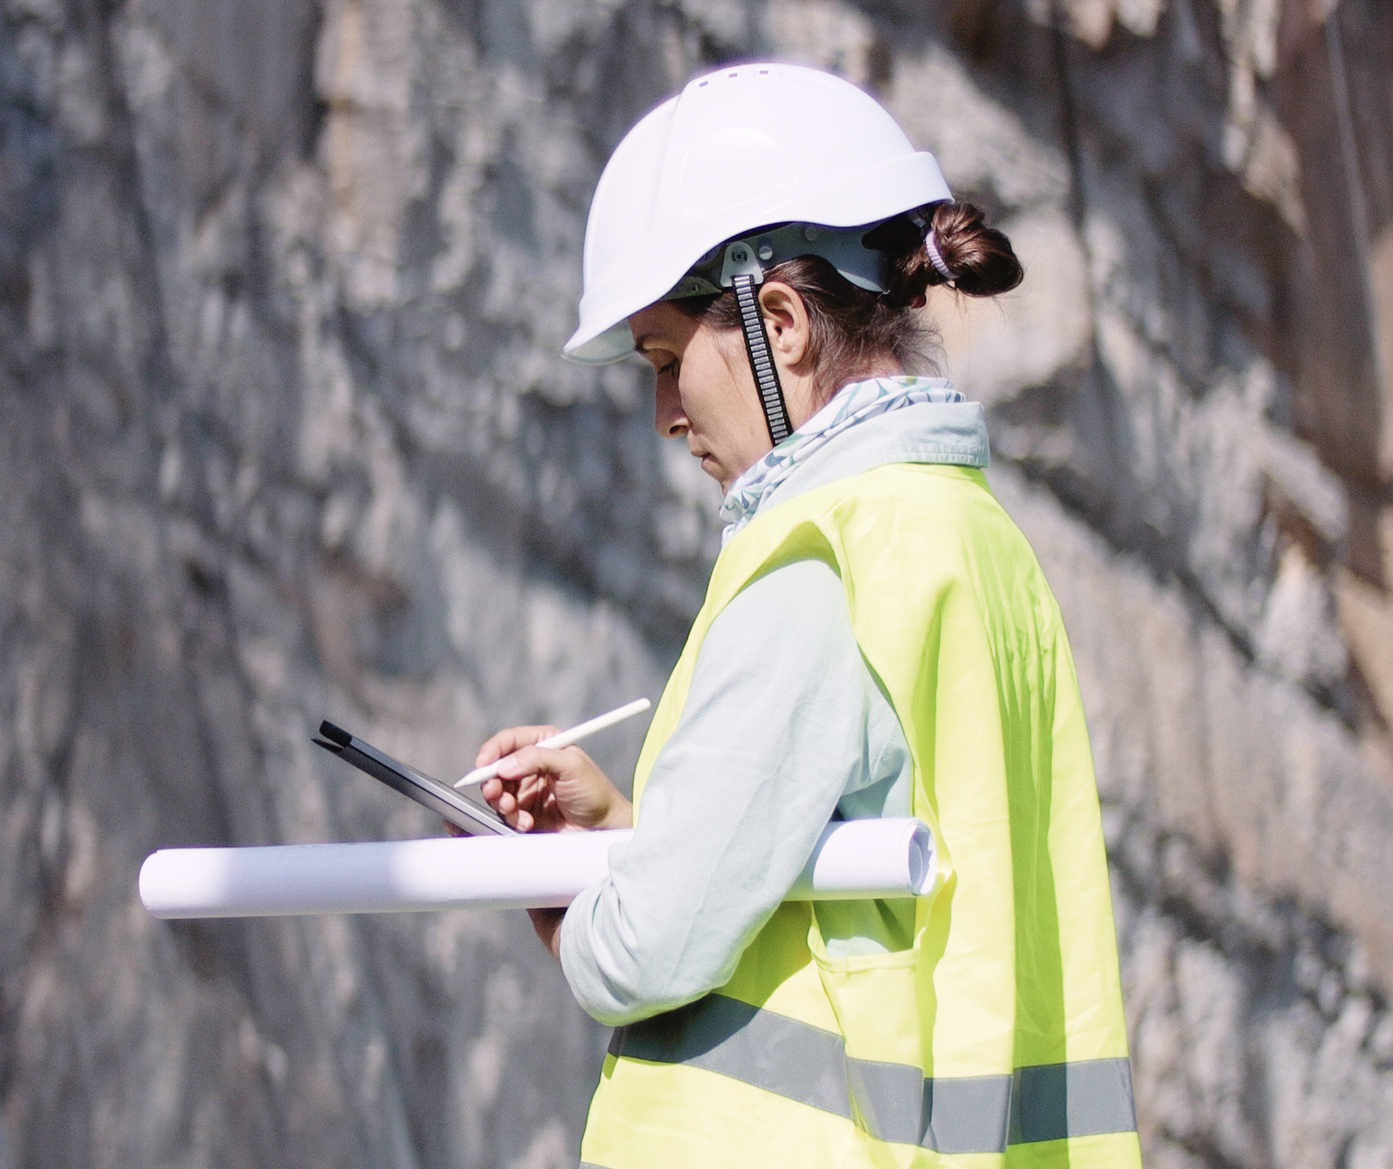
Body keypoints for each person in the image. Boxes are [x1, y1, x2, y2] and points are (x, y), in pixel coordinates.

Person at [468, 64, 1141, 1168]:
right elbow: (860, 891)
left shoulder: (816, 560)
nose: (660, 413)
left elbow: (645, 950)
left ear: (775, 322)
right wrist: (633, 834)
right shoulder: (973, 545)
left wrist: (557, 892)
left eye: (663, 359)